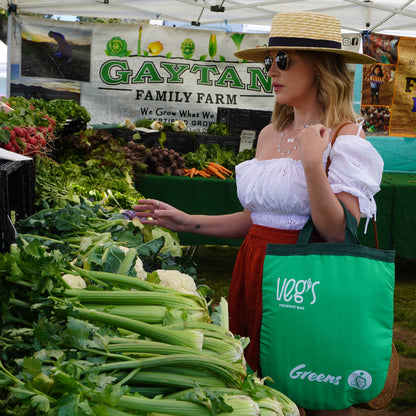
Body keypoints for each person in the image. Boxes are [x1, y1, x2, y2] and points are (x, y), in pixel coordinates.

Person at [133, 11, 383, 416]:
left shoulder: (345, 135)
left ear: (319, 68)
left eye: (282, 60)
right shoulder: (269, 134)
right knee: (261, 392)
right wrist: (187, 221)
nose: (270, 71)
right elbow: (261, 218)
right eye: (269, 61)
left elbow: (338, 232)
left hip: (304, 283)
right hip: (253, 269)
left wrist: (311, 163)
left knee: (312, 391)